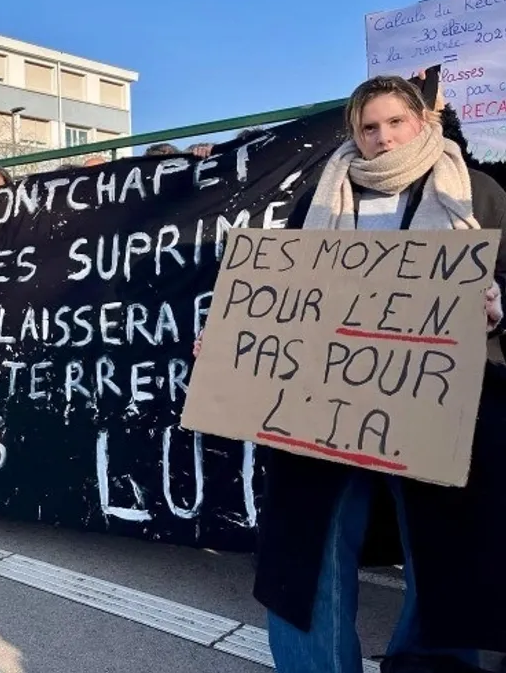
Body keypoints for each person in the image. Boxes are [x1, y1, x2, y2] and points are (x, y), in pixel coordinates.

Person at [195, 75, 506, 671]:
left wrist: (498, 307)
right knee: (309, 554)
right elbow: (284, 297)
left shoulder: (480, 194)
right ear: (353, 134)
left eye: (395, 122)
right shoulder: (320, 198)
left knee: (441, 558)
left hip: (438, 408)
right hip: (323, 411)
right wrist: (231, 339)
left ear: (422, 122)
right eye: (369, 127)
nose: (383, 138)